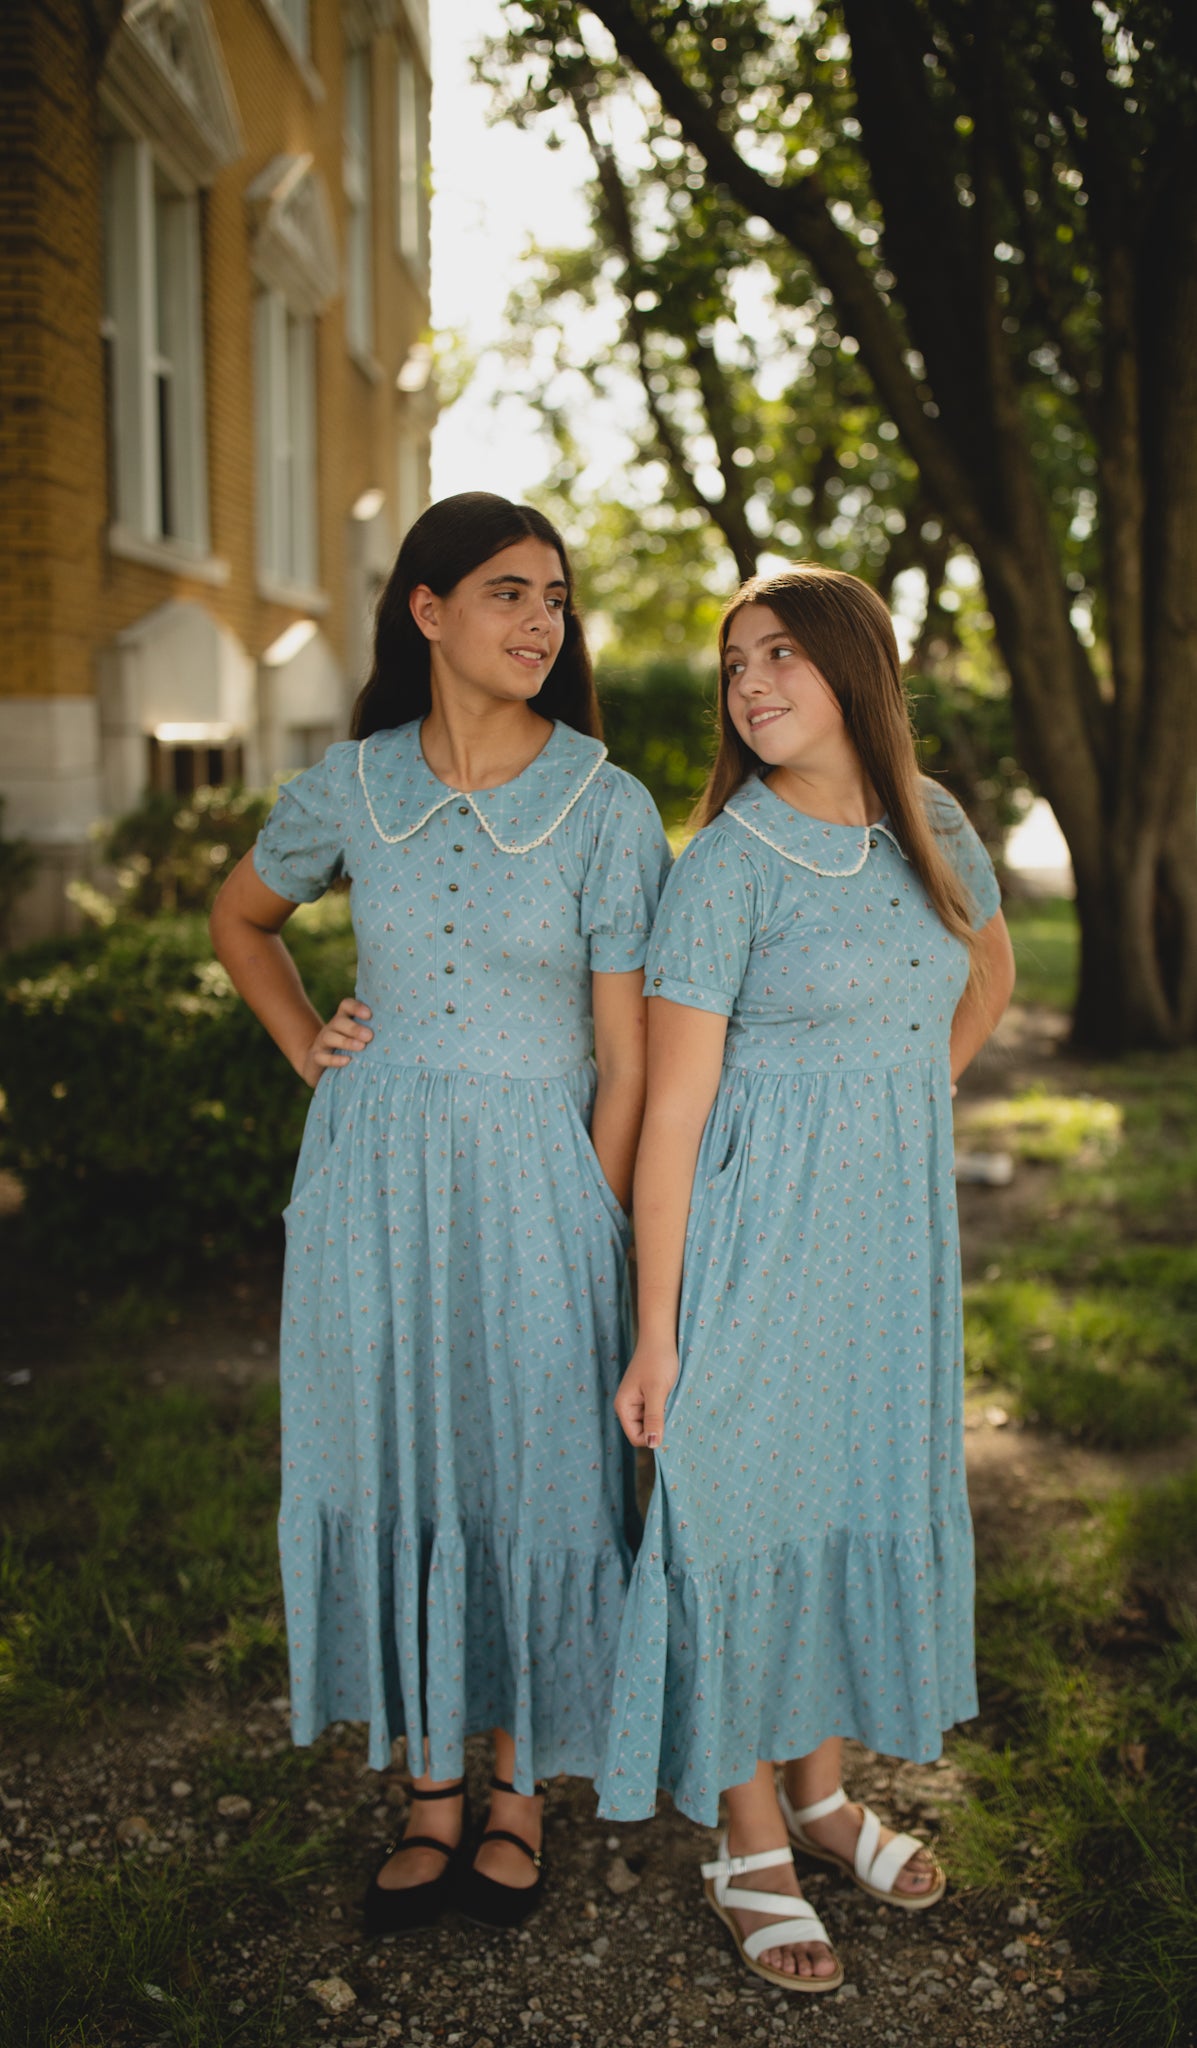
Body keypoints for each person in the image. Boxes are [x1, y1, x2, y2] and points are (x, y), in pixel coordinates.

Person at [210, 492, 670, 1934]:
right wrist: (304, 1044)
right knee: (400, 1457)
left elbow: (632, 1054)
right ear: (426, 610)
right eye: (506, 593)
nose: (541, 622)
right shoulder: (349, 789)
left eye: (554, 599)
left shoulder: (605, 801)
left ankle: (520, 1790)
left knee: (534, 1471)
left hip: (545, 1178)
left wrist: (588, 1216)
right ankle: (423, 1791)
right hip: (372, 1180)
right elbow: (241, 917)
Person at [599, 565, 1015, 1993]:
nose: (752, 684)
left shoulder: (934, 824)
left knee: (842, 1499)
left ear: (856, 666)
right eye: (732, 665)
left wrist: (893, 1106)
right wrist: (654, 1333)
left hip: (888, 1247)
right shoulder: (725, 864)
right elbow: (667, 1111)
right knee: (736, 1524)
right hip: (749, 1248)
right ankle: (746, 1838)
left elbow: (986, 973)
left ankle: (825, 1798)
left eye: (779, 654)